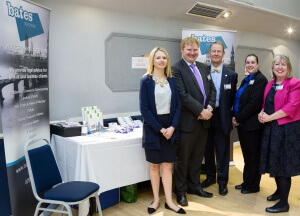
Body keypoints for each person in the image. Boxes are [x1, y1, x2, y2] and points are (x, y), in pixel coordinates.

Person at [139, 47, 185, 214]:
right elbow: (144, 110)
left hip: (170, 126)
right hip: (153, 127)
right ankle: (156, 200)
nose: (161, 60)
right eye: (158, 57)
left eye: (164, 57)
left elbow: (178, 106)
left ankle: (169, 201)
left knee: (167, 166)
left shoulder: (172, 80)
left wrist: (172, 127)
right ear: (153, 60)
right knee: (154, 166)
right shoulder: (145, 81)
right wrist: (160, 129)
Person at [172, 36, 216, 206]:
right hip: (187, 123)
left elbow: (212, 91)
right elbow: (182, 95)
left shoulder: (204, 67)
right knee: (183, 160)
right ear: (182, 50)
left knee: (198, 157)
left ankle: (194, 186)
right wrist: (200, 110)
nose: (192, 53)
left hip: (203, 122)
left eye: (195, 50)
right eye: (189, 50)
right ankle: (181, 191)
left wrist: (209, 109)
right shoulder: (176, 69)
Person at [258, 54, 300, 213]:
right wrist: (261, 114)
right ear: (273, 67)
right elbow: (265, 104)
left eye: (283, 64)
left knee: (283, 165)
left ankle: (284, 202)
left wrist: (269, 117)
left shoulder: (295, 84)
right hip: (271, 128)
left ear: (288, 67)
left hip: (287, 130)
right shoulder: (270, 84)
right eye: (277, 64)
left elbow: (291, 107)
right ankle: (278, 192)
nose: (280, 67)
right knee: (273, 161)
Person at [202, 41, 238, 196]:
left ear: (223, 54)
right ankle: (211, 177)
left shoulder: (231, 75)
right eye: (213, 51)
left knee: (223, 152)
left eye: (219, 51)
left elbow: (233, 99)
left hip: (223, 117)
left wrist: (232, 116)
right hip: (206, 116)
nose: (216, 54)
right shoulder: (202, 72)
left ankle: (222, 181)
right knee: (207, 149)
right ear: (210, 53)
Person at [232, 54, 267, 194]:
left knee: (253, 156)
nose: (250, 64)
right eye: (248, 62)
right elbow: (239, 100)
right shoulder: (246, 79)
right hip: (243, 125)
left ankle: (253, 186)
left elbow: (253, 104)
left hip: (253, 126)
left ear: (258, 64)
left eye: (253, 62)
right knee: (247, 156)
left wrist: (238, 118)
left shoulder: (260, 80)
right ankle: (247, 181)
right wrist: (236, 117)